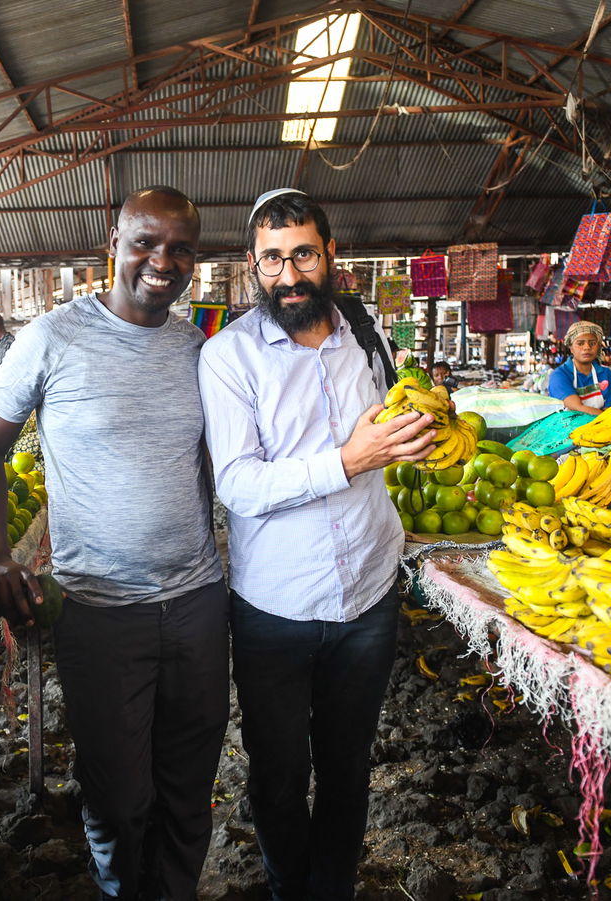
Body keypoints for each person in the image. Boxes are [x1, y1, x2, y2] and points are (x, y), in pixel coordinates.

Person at [0, 187, 226, 899]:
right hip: (99, 608)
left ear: (194, 260)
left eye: (180, 249)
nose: (161, 261)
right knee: (117, 797)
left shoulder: (197, 348)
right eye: (145, 242)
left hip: (198, 602)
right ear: (113, 244)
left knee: (188, 788)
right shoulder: (53, 337)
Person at [199, 188, 435, 899]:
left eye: (303, 254)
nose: (289, 274)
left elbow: (388, 430)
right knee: (277, 773)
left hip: (368, 594)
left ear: (330, 254)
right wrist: (348, 460)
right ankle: (287, 888)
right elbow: (237, 485)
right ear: (253, 264)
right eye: (272, 259)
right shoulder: (229, 356)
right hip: (276, 608)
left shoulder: (366, 332)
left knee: (347, 767)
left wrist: (414, 440)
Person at [547, 321, 611, 415]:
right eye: (580, 343)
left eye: (592, 343)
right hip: (569, 424)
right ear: (571, 348)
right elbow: (577, 407)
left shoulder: (606, 373)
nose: (587, 347)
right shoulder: (559, 375)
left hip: (602, 423)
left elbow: (609, 409)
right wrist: (607, 418)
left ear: (598, 347)